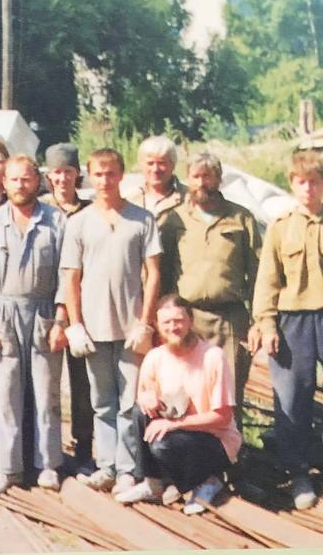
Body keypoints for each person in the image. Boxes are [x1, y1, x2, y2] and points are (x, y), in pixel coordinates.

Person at [61, 148, 161, 495]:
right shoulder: (79, 222)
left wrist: (145, 323)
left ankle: (128, 470)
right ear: (89, 177)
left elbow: (153, 273)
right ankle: (107, 466)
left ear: (121, 175)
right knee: (102, 402)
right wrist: (75, 324)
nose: (105, 181)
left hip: (131, 327)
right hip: (94, 328)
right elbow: (71, 278)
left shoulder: (142, 219)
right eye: (98, 174)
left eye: (111, 174)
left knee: (129, 403)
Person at [0, 155, 69, 495]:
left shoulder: (56, 221)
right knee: (5, 395)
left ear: (37, 181)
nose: (20, 185)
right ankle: (8, 469)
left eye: (26, 179)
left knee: (46, 392)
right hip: (5, 315)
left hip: (44, 313)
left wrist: (61, 321)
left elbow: (66, 276)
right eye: (14, 179)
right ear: (4, 182)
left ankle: (48, 465)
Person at [114, 295, 240, 516]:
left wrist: (174, 424)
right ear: (157, 325)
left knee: (161, 446)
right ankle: (152, 483)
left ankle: (208, 481)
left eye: (179, 320)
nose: (173, 327)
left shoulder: (213, 357)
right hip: (179, 434)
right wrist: (147, 398)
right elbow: (144, 394)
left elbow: (223, 418)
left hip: (214, 439)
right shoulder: (155, 357)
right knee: (139, 412)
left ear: (191, 321)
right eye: (167, 322)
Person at [158, 152, 258, 423]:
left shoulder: (241, 218)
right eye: (196, 176)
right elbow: (161, 272)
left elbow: (258, 272)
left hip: (229, 319)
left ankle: (229, 447)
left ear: (219, 178)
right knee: (183, 389)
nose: (201, 183)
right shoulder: (173, 220)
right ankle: (186, 445)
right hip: (186, 318)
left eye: (207, 176)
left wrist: (259, 320)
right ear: (187, 179)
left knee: (229, 392)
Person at [251, 149, 323, 510]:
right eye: (301, 182)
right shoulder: (281, 227)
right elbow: (267, 279)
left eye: (315, 182)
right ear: (292, 184)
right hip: (293, 320)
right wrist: (267, 324)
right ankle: (298, 473)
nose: (308, 189)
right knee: (292, 398)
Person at [39, 143, 95, 469]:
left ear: (78, 175)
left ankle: (84, 444)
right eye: (57, 173)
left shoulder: (90, 211)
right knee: (45, 381)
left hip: (80, 305)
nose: (62, 179)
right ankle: (46, 449)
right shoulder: (40, 209)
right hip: (43, 305)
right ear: (48, 177)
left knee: (82, 381)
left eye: (68, 172)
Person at [126, 136, 188, 292]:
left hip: (177, 290)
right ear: (141, 164)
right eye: (150, 163)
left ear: (173, 165)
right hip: (136, 290)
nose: (155, 169)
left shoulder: (189, 199)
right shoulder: (128, 200)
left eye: (162, 163)